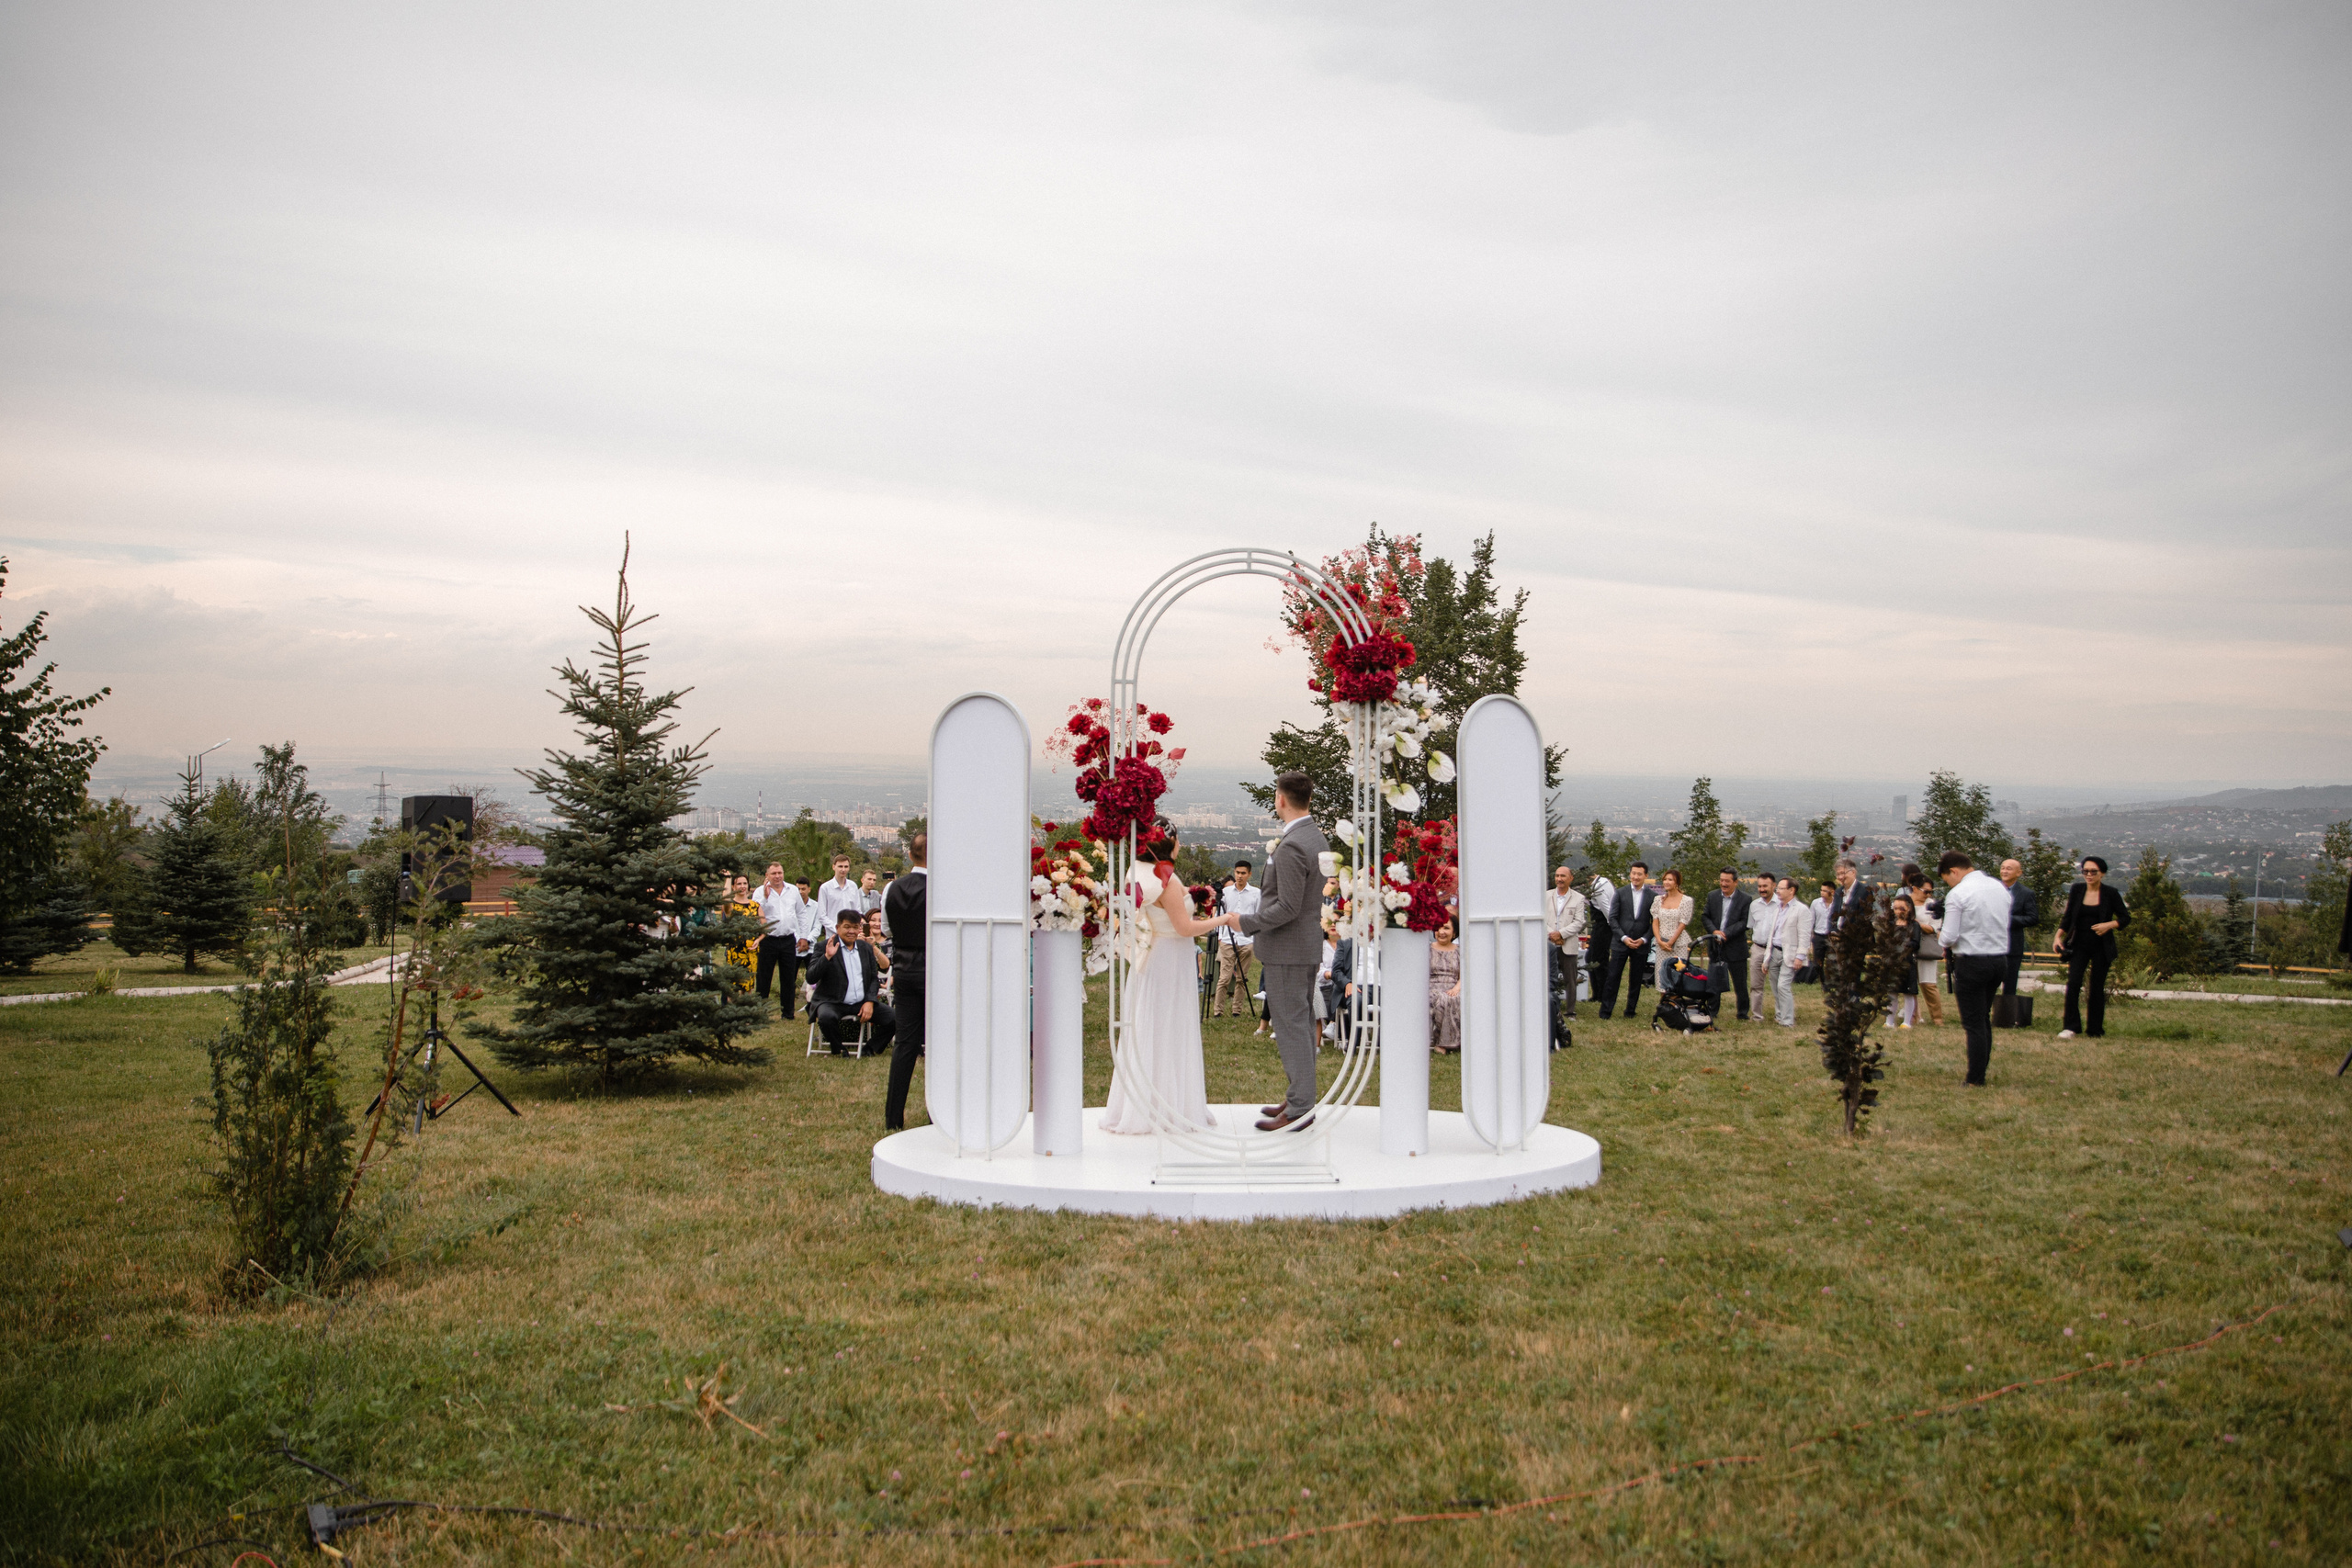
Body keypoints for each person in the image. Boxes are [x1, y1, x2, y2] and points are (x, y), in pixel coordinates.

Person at [1101, 821, 1227, 1134]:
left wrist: (1192, 894)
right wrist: (1223, 920)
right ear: (1169, 843)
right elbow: (1184, 928)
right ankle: (1173, 1105)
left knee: (1151, 1024)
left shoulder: (1137, 871)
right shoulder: (1165, 880)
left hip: (1152, 953)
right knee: (1171, 1024)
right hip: (1171, 954)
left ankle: (1148, 1102)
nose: (1181, 844)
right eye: (1178, 839)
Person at [1233, 772, 1330, 1132]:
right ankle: (1298, 1095)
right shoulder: (1315, 836)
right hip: (1304, 945)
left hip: (1288, 950)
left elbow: (1287, 906)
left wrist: (1245, 922)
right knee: (1301, 1024)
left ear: (1281, 799)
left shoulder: (1291, 845)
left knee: (1291, 1027)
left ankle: (1301, 1107)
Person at [1939, 851, 2013, 1086]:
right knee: (1983, 1018)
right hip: (1999, 959)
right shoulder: (1999, 887)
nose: (1950, 884)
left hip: (1971, 961)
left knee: (1973, 1023)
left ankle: (1975, 1078)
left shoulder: (1958, 893)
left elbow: (1949, 937)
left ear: (1954, 871)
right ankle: (1981, 1069)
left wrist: (1941, 938)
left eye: (1947, 879)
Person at [2054, 855, 2131, 1039]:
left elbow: (2125, 918)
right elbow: (2068, 916)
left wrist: (2109, 925)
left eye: (2093, 871)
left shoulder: (2110, 893)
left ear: (2102, 873)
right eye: (2085, 871)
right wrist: (2058, 936)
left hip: (2101, 946)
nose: (2088, 875)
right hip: (2078, 944)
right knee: (2073, 983)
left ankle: (2095, 1029)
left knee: (2097, 986)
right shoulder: (2077, 890)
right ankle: (2071, 1027)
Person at [882, 834, 928, 1132]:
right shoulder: (942, 888)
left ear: (910, 856)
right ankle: (940, 1112)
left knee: (905, 1044)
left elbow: (886, 929)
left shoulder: (892, 888)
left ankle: (893, 1117)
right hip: (934, 970)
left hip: (904, 970)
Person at [808, 908, 896, 1057]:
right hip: (832, 1001)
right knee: (826, 1018)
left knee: (895, 1018)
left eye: (855, 927)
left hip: (860, 1002)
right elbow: (811, 977)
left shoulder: (866, 948)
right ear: (837, 928)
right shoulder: (824, 946)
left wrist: (869, 1001)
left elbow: (873, 979)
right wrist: (827, 957)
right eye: (847, 927)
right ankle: (839, 1049)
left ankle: (871, 1048)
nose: (851, 931)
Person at [1599, 863, 1656, 1020]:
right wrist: (1623, 937)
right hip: (1620, 943)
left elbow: (1654, 922)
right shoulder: (1620, 893)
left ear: (1646, 876)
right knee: (1613, 978)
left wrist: (1644, 939)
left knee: (1636, 979)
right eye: (1633, 873)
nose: (1636, 877)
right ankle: (1606, 1011)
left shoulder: (1652, 896)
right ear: (1630, 874)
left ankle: (1630, 1011)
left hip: (1641, 944)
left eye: (1639, 874)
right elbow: (1613, 918)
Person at [752, 863, 808, 1020]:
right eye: (773, 873)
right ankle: (761, 1013)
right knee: (764, 977)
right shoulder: (759, 892)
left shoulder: (792, 891)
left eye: (780, 873)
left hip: (788, 939)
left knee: (788, 978)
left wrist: (803, 936)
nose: (777, 876)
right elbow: (756, 912)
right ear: (767, 875)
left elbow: (801, 913)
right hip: (768, 940)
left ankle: (788, 1013)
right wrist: (765, 896)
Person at [1756, 876, 1809, 1027]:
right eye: (1777, 888)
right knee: (1775, 986)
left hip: (1790, 954)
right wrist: (1767, 957)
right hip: (1774, 953)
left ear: (1791, 890)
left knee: (1783, 986)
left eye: (1780, 888)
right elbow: (1772, 934)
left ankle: (1787, 1020)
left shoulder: (1801, 910)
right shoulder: (1777, 908)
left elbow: (1804, 935)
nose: (1777, 891)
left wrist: (1800, 956)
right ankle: (1780, 1015)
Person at [1212, 860, 1261, 1021]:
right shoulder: (1226, 892)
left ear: (1249, 874)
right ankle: (1218, 1011)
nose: (1240, 876)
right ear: (1234, 872)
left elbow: (1258, 917)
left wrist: (1254, 937)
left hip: (1246, 940)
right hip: (1227, 939)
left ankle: (1236, 1010)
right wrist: (1220, 936)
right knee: (1224, 978)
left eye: (1243, 873)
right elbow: (1219, 915)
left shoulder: (1256, 893)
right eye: (1237, 873)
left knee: (1242, 978)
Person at [1544, 865, 1589, 1035]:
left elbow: (1579, 922)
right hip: (1548, 943)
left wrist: (1561, 934)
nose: (1559, 879)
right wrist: (1552, 934)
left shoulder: (1578, 898)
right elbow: (1541, 916)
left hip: (1567, 943)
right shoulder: (1546, 895)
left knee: (1570, 978)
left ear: (1571, 878)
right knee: (1547, 976)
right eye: (1557, 876)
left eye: (1563, 876)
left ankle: (1570, 1011)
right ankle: (1547, 1007)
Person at [1705, 868, 1753, 1021]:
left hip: (1736, 947)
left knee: (1740, 983)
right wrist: (1714, 931)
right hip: (1716, 946)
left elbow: (1745, 922)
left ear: (1735, 882)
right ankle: (1712, 1011)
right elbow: (1705, 916)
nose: (1723, 884)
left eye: (1727, 881)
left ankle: (1742, 1013)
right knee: (1714, 981)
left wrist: (1726, 933)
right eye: (1721, 880)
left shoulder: (1745, 899)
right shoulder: (1712, 896)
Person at [1903, 865, 1945, 1026]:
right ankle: (1913, 1016)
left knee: (1928, 984)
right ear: (1914, 888)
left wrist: (1915, 924)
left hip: (1926, 948)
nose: (1928, 895)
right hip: (1907, 947)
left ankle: (1937, 1018)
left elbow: (1934, 928)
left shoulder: (1933, 905)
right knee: (1909, 985)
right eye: (1925, 891)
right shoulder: (1904, 902)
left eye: (1930, 892)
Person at [1649, 869, 1698, 995]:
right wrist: (1659, 940)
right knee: (1662, 976)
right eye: (1665, 879)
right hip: (1661, 943)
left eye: (1670, 879)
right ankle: (1664, 1007)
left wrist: (1671, 942)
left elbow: (1683, 923)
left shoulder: (1686, 900)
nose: (1666, 882)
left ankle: (1676, 1007)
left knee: (1678, 975)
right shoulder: (1658, 899)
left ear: (1677, 882)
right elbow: (1655, 921)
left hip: (1678, 943)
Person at [1999, 858, 2040, 998]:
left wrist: (2008, 920)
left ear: (2019, 873)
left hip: (2012, 944)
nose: (2004, 871)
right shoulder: (1992, 889)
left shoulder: (2026, 893)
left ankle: (2006, 1015)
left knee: (2010, 982)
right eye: (2003, 868)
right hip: (1991, 942)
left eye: (2009, 868)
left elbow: (2032, 918)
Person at [1883, 894, 1921, 1027]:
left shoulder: (1914, 925)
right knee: (1892, 993)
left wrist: (1904, 946)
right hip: (1892, 963)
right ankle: (1889, 1021)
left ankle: (1907, 1022)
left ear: (1909, 908)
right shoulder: (1891, 924)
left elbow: (1916, 943)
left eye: (1902, 908)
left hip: (1907, 963)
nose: (1898, 911)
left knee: (1908, 992)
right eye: (1895, 908)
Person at [1429, 919, 1463, 1054]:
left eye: (1446, 928)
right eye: (1438, 928)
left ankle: (1448, 1042)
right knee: (1441, 998)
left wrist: (1456, 988)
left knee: (1452, 998)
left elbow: (1464, 974)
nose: (1441, 932)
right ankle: (1442, 1043)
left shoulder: (1460, 951)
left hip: (1454, 986)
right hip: (1430, 987)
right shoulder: (1427, 949)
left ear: (1454, 932)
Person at [1747, 873, 1776, 1020]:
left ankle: (1781, 1015)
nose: (1762, 889)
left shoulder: (1781, 904)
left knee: (1779, 985)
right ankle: (1757, 1016)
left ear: (1774, 886)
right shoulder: (1754, 905)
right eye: (1759, 886)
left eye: (1765, 886)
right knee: (1756, 985)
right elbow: (1751, 926)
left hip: (1776, 949)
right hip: (1758, 948)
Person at [721, 874, 760, 982]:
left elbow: (764, 928)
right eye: (739, 884)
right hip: (735, 950)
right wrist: (728, 879)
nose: (742, 886)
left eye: (745, 883)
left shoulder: (755, 905)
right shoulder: (731, 906)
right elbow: (725, 898)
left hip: (751, 950)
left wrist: (758, 940)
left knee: (748, 987)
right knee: (733, 988)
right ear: (733, 887)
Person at [817, 855, 863, 931]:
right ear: (834, 867)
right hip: (833, 934)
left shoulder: (853, 886)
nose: (843, 869)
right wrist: (837, 928)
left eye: (846, 867)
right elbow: (822, 916)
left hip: (851, 934)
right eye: (840, 866)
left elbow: (857, 910)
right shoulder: (825, 888)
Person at [1807, 882, 1835, 981]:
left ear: (1832, 892)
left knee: (1833, 961)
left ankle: (1832, 981)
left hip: (1832, 936)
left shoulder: (1837, 903)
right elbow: (1811, 920)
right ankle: (1823, 981)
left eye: (1824, 891)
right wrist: (1809, 938)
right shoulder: (1816, 903)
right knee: (1817, 963)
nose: (1822, 893)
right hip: (1819, 935)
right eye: (1821, 890)